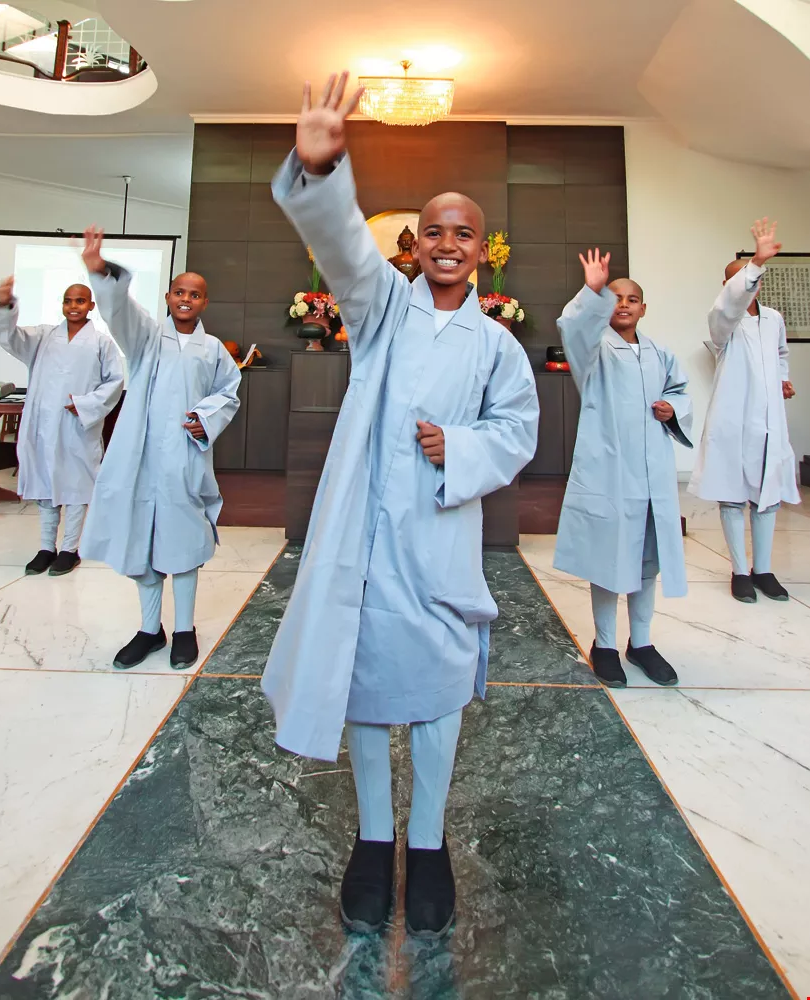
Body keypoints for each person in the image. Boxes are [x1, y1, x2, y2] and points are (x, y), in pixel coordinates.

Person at [261, 73, 539, 939]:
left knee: (437, 691)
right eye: (434, 231)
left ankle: (429, 842)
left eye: (464, 233)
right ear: (413, 245)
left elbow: (517, 430)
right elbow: (345, 250)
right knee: (370, 687)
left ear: (482, 249)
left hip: (441, 541)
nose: (447, 244)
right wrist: (321, 171)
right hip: (369, 543)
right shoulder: (381, 309)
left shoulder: (496, 345)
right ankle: (373, 838)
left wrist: (461, 448)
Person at [78, 230, 241, 670]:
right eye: (180, 292)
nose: (186, 299)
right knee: (142, 542)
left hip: (184, 461)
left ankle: (184, 629)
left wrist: (205, 417)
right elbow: (121, 312)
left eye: (195, 294)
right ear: (168, 297)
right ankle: (150, 630)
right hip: (141, 459)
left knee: (183, 541)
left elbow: (229, 392)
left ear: (205, 303)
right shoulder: (147, 338)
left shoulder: (213, 350)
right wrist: (101, 271)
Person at [555, 250, 693, 688]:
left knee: (647, 560)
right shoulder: (594, 351)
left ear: (643, 308)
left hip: (653, 476)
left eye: (632, 299)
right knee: (609, 558)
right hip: (611, 473)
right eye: (615, 298)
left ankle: (642, 642)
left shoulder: (659, 353)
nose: (624, 304)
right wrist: (592, 288)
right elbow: (572, 325)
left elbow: (680, 390)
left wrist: (673, 408)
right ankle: (605, 644)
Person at [689, 219, 800, 603]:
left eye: (753, 278)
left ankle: (763, 570)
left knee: (767, 496)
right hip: (733, 420)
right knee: (733, 496)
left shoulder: (774, 320)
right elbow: (732, 303)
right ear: (727, 286)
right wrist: (755, 262)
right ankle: (739, 571)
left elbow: (780, 355)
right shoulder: (722, 321)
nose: (748, 284)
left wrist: (782, 381)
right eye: (738, 280)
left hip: (769, 423)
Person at [0, 278, 123, 576]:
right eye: (68, 300)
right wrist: (5, 306)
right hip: (44, 424)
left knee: (76, 485)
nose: (73, 306)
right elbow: (10, 337)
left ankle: (69, 549)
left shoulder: (101, 342)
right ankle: (46, 547)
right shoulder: (43, 337)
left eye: (80, 301)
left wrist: (86, 404)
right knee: (46, 483)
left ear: (91, 305)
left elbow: (114, 381)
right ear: (62, 304)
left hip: (77, 426)